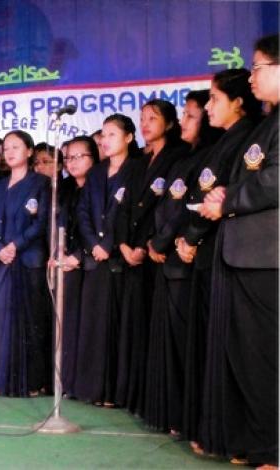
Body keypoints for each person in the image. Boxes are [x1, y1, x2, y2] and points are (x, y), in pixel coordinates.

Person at [199, 34, 278, 467]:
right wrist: (225, 193)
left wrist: (227, 200)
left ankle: (274, 448)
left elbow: (274, 181)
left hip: (268, 257)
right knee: (247, 356)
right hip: (245, 255)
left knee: (266, 357)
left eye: (259, 67)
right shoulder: (268, 122)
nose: (252, 77)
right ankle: (257, 442)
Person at [176, 77, 260, 450]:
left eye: (214, 99)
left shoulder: (245, 138)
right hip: (205, 248)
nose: (208, 107)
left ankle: (225, 435)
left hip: (219, 247)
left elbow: (220, 195)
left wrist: (192, 238)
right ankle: (211, 430)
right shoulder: (224, 140)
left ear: (238, 101)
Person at [141, 87, 229, 434]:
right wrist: (153, 241)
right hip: (165, 257)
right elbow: (166, 206)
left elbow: (186, 212)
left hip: (184, 259)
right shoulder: (183, 160)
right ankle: (170, 414)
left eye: (191, 115)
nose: (185, 121)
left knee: (184, 344)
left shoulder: (206, 158)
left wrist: (166, 241)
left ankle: (184, 417)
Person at [114, 100, 188, 415]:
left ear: (169, 123)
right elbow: (122, 207)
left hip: (155, 254)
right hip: (130, 254)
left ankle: (152, 400)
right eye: (142, 118)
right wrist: (123, 245)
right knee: (133, 326)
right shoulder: (137, 163)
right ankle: (134, 397)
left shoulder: (178, 157)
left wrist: (146, 244)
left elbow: (165, 208)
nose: (145, 124)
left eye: (153, 118)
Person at [74, 114, 139, 406]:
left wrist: (108, 244)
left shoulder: (137, 168)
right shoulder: (97, 172)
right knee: (94, 326)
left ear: (129, 137)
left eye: (112, 134)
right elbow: (83, 212)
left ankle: (113, 392)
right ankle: (93, 389)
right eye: (103, 134)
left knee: (117, 327)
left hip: (118, 260)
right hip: (95, 259)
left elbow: (127, 214)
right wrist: (93, 245)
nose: (105, 140)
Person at [0, 130, 51, 397]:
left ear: (29, 151)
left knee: (30, 321)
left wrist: (15, 245)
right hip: (1, 262)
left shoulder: (41, 183)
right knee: (2, 322)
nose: (9, 152)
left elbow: (41, 222)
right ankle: (0, 380)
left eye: (16, 147)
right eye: (6, 148)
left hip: (28, 259)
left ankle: (32, 382)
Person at [56, 136, 99, 398]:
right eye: (69, 158)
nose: (72, 162)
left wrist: (79, 256)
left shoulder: (100, 186)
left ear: (94, 158)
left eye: (79, 156)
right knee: (69, 324)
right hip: (66, 262)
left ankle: (85, 385)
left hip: (91, 262)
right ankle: (68, 383)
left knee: (89, 326)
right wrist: (59, 251)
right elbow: (58, 225)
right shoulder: (64, 189)